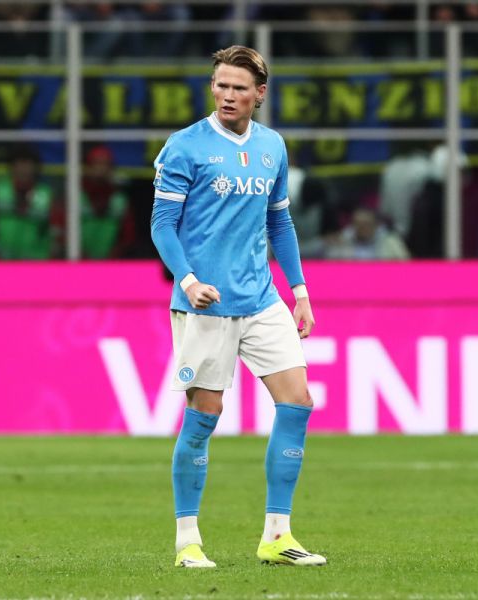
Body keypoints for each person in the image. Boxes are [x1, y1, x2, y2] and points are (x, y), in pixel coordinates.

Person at [150, 46, 326, 569]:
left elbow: (279, 223)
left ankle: (277, 534)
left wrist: (298, 290)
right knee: (204, 416)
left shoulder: (272, 146)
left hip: (262, 298)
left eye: (239, 88)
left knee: (298, 402)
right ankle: (187, 541)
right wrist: (188, 280)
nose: (227, 95)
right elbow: (162, 226)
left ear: (259, 94)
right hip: (205, 303)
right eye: (221, 85)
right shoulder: (184, 147)